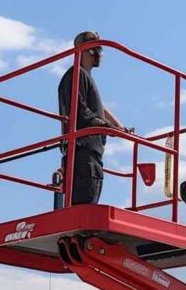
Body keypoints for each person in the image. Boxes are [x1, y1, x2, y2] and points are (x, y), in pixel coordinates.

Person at [56, 30, 131, 206]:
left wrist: (119, 126)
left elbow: (98, 107)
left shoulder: (83, 77)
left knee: (85, 205)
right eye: (97, 48)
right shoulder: (77, 74)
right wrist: (107, 127)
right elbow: (81, 113)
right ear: (88, 50)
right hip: (83, 154)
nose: (100, 53)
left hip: (88, 153)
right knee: (83, 209)